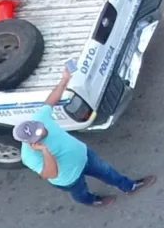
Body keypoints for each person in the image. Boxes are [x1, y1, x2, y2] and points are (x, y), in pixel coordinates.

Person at [15, 72, 152, 205]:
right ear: (31, 142)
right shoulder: (29, 156)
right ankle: (91, 201)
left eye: (39, 127)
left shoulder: (40, 118)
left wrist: (64, 81)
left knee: (106, 171)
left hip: (84, 155)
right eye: (39, 134)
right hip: (70, 178)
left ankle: (129, 187)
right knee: (80, 193)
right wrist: (44, 150)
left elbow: (50, 102)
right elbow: (50, 173)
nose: (43, 130)